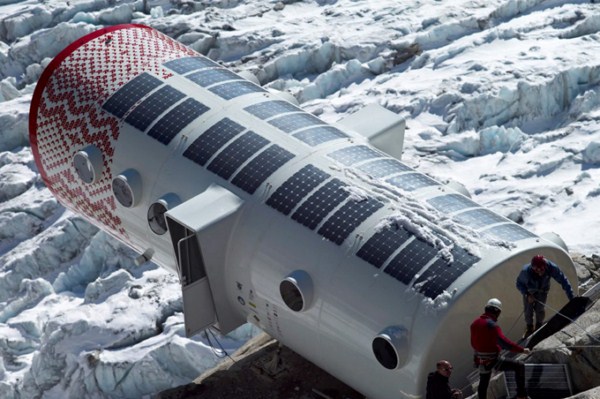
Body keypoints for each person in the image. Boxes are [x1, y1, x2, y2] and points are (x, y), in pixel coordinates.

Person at [470, 298, 531, 399]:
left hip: (481, 360)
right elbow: (505, 344)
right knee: (519, 366)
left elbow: (473, 343)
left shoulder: (474, 323)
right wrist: (522, 350)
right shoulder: (492, 325)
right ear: (496, 311)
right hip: (494, 359)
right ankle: (522, 395)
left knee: (483, 384)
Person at [516, 254, 575, 338]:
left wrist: (571, 297)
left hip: (543, 290)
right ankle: (529, 328)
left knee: (540, 309)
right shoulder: (526, 272)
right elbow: (519, 283)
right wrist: (527, 294)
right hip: (529, 290)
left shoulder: (552, 268)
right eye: (536, 269)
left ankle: (538, 326)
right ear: (533, 268)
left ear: (545, 266)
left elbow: (563, 280)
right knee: (528, 309)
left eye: (542, 269)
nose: (539, 271)